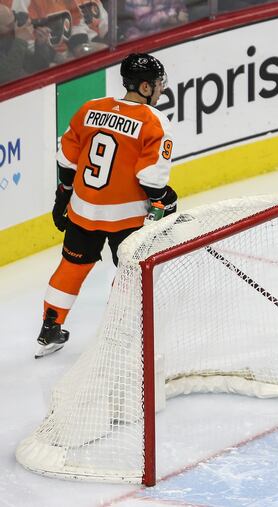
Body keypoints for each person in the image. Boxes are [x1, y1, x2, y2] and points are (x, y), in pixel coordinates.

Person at [35, 52, 178, 358]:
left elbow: (67, 160)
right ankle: (118, 332)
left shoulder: (91, 108)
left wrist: (63, 196)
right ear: (143, 87)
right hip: (126, 219)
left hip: (83, 210)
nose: (160, 89)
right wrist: (166, 199)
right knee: (130, 272)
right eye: (156, 84)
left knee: (72, 267)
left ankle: (49, 329)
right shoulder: (154, 122)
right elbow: (151, 179)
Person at [0, 3, 54, 84]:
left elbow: (37, 67)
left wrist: (41, 44)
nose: (14, 26)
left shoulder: (8, 40)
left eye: (14, 21)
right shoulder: (15, 41)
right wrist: (20, 41)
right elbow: (7, 78)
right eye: (9, 25)